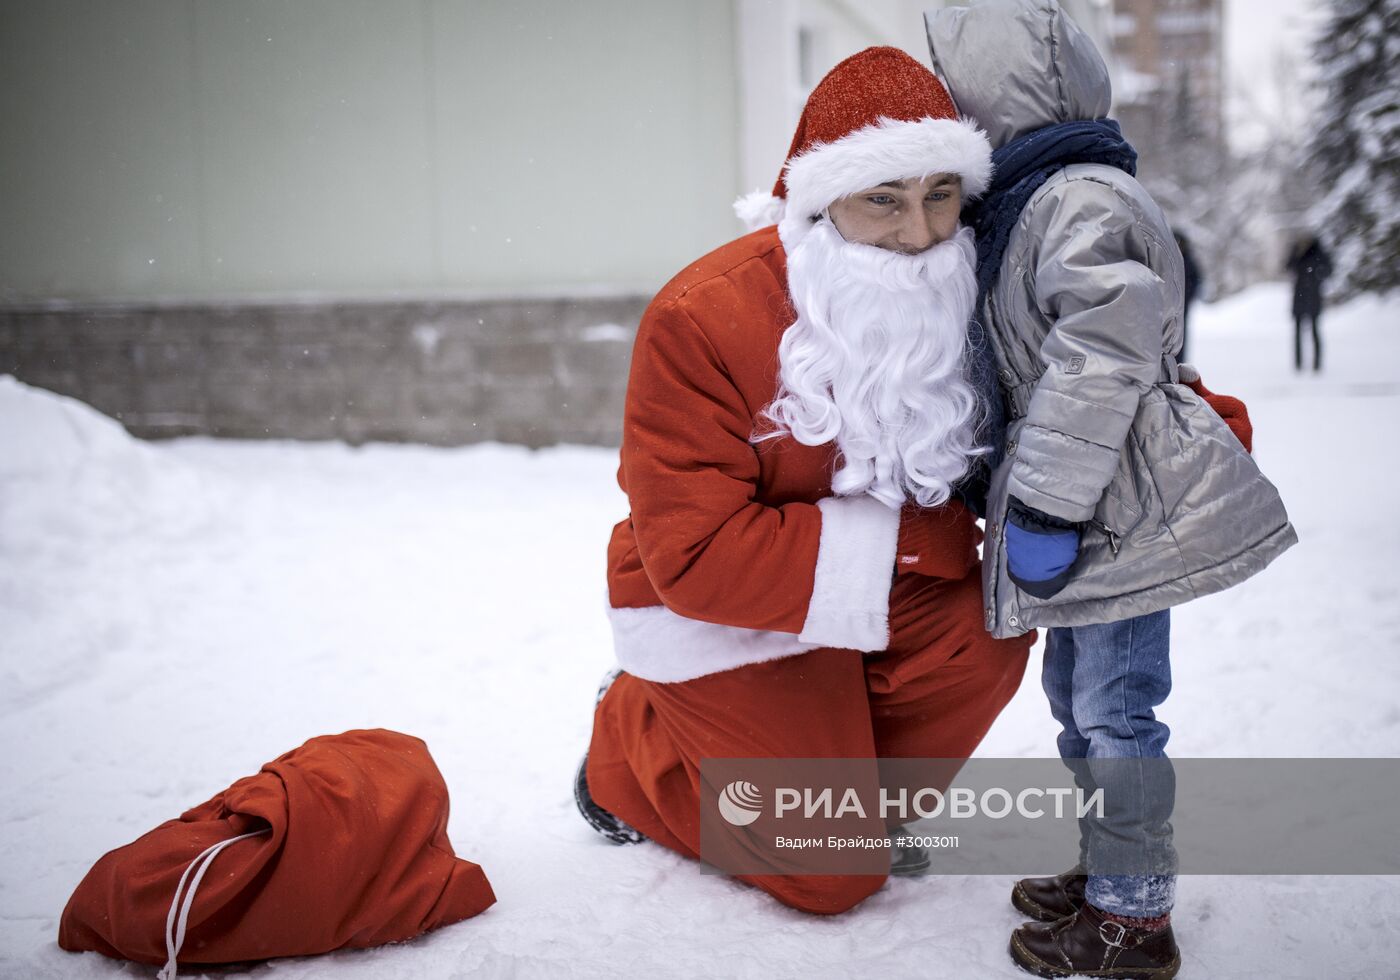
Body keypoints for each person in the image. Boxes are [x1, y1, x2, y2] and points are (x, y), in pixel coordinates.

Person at [575, 46, 1032, 914]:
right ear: (820, 204)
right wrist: (911, 543)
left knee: (992, 628)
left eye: (942, 194)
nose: (920, 233)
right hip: (715, 609)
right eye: (883, 200)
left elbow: (1088, 368)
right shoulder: (700, 317)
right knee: (833, 876)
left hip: (889, 583)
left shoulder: (966, 280)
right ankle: (630, 743)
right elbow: (695, 554)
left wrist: (1176, 423)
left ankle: (838, 799)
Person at [924, 1, 1298, 976]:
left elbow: (1101, 350)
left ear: (999, 96)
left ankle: (1134, 916)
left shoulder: (1076, 197)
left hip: (1115, 508)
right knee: (1075, 698)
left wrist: (1043, 499)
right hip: (1087, 504)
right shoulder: (1024, 200)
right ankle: (1105, 867)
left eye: (955, 99)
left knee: (1118, 709)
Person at [1287, 234, 1332, 372]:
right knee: (1298, 332)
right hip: (1300, 297)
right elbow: (1288, 267)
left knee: (1314, 331)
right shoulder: (1297, 252)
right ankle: (1298, 364)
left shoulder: (1319, 253)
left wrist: (1316, 277)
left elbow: (1328, 270)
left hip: (1313, 297)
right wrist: (1296, 253)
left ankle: (1317, 363)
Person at [1173, 231, 1200, 362]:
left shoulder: (1187, 262)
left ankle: (1179, 365)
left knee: (1179, 338)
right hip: (1173, 307)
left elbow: (1195, 283)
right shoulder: (1171, 260)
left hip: (1181, 308)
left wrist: (1185, 299)